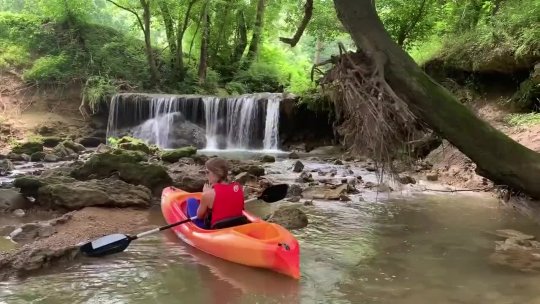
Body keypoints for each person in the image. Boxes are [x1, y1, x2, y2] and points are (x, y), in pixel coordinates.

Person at [186, 157, 245, 229]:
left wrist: (205, 194)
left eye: (207, 172)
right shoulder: (239, 187)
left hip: (215, 229)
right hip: (236, 223)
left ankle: (189, 226)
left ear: (216, 173)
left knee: (190, 200)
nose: (206, 175)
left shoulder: (208, 195)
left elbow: (199, 216)